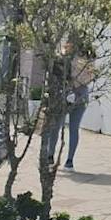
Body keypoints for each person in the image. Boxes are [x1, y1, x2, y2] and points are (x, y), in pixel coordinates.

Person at [40, 42, 92, 171]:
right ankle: (69, 162)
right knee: (74, 128)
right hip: (82, 94)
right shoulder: (89, 59)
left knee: (56, 126)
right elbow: (90, 78)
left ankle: (50, 156)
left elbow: (60, 75)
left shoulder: (67, 58)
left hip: (66, 93)